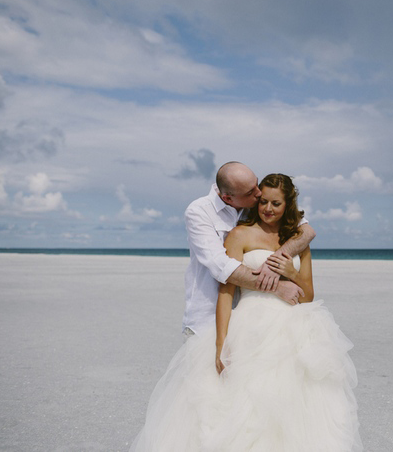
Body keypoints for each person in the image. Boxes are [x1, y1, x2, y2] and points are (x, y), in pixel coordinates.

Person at [130, 174, 361, 451]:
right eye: (263, 201)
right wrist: (221, 343)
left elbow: (308, 295)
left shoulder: (297, 239)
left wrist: (291, 273)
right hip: (252, 326)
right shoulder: (239, 234)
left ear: (288, 205)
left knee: (295, 405)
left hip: (295, 329)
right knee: (246, 406)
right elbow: (226, 290)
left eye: (276, 203)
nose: (268, 209)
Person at [182, 161, 315, 336]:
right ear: (228, 198)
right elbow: (222, 267)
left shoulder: (254, 205)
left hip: (272, 321)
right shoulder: (199, 212)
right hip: (208, 318)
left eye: (256, 184)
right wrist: (276, 286)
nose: (259, 193)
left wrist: (275, 262)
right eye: (252, 192)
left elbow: (306, 231)